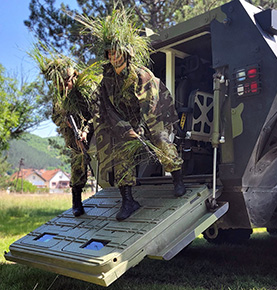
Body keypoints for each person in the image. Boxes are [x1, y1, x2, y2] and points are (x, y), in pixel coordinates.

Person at [75, 8, 186, 221]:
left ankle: (178, 179)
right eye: (110, 53)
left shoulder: (141, 75)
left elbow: (150, 106)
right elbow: (105, 109)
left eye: (117, 52)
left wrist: (142, 130)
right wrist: (126, 130)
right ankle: (128, 200)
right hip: (126, 123)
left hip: (152, 117)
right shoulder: (106, 81)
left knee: (160, 141)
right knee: (121, 152)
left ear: (126, 54)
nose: (114, 56)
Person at [30, 45, 101, 217]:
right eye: (60, 85)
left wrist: (85, 129)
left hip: (97, 130)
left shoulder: (87, 90)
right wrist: (66, 123)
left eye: (66, 83)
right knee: (78, 163)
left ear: (73, 77)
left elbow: (97, 113)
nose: (64, 88)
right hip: (75, 137)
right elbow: (55, 117)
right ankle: (76, 201)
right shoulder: (59, 96)